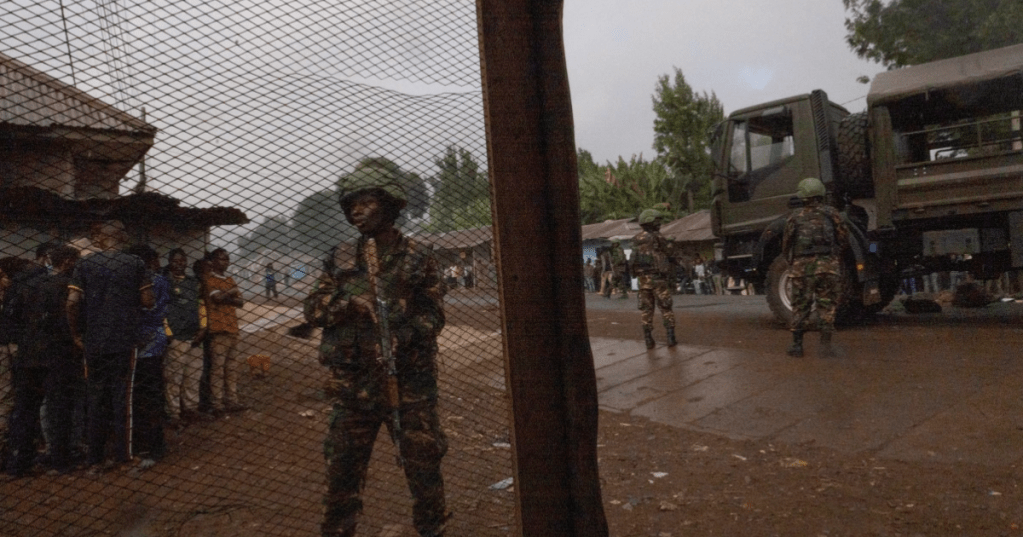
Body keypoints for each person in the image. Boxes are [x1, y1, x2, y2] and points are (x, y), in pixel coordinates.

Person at [304, 170, 449, 537]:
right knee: (341, 472)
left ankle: (431, 529)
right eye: (352, 205)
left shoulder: (418, 256)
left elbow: (434, 313)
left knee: (424, 467)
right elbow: (313, 308)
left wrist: (404, 334)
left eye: (367, 202)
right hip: (354, 386)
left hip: (410, 384)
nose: (357, 210)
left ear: (389, 207)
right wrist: (348, 303)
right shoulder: (339, 256)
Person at [67, 221, 155, 471]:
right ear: (121, 236)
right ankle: (123, 456)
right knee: (122, 398)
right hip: (123, 339)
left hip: (94, 340)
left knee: (95, 398)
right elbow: (148, 301)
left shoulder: (85, 264)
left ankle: (95, 458)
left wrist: (76, 334)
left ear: (100, 238)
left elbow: (72, 302)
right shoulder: (135, 263)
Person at [4, 246, 76, 476]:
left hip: (27, 353)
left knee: (25, 409)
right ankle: (59, 461)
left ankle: (20, 463)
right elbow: (70, 318)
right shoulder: (67, 285)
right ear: (67, 262)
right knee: (58, 409)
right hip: (56, 354)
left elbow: (12, 317)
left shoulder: (26, 283)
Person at [781, 177, 849, 358]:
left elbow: (786, 244)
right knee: (826, 305)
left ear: (803, 196)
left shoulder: (794, 216)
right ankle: (826, 347)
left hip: (801, 269)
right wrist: (833, 256)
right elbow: (843, 238)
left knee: (800, 306)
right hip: (827, 267)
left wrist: (791, 262)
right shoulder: (832, 213)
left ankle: (797, 346)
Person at [126, 245, 170, 468]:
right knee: (147, 395)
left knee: (144, 395)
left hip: (146, 343)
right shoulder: (147, 280)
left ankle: (151, 444)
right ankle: (148, 443)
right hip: (147, 343)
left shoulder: (154, 281)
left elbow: (154, 310)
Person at [164, 249, 208, 424]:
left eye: (182, 260)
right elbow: (161, 309)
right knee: (174, 377)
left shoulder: (193, 283)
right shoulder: (164, 283)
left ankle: (191, 409)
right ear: (169, 262)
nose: (179, 264)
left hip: (195, 337)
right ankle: (173, 413)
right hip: (177, 337)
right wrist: (168, 333)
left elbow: (201, 305)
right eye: (175, 261)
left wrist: (203, 328)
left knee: (194, 375)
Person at [204, 248, 247, 415]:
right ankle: (217, 403)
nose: (226, 262)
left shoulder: (229, 279)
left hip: (232, 328)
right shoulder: (210, 279)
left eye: (227, 259)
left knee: (231, 368)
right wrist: (231, 293)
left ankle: (232, 400)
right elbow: (217, 298)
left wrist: (227, 296)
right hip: (218, 330)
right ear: (213, 261)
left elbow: (240, 302)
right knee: (218, 369)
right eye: (222, 259)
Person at [629, 209, 677, 349]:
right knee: (666, 308)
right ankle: (671, 338)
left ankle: (648, 339)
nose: (659, 224)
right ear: (651, 222)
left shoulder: (635, 239)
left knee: (646, 310)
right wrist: (670, 242)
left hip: (643, 280)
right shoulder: (657, 237)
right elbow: (669, 252)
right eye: (657, 221)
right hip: (658, 279)